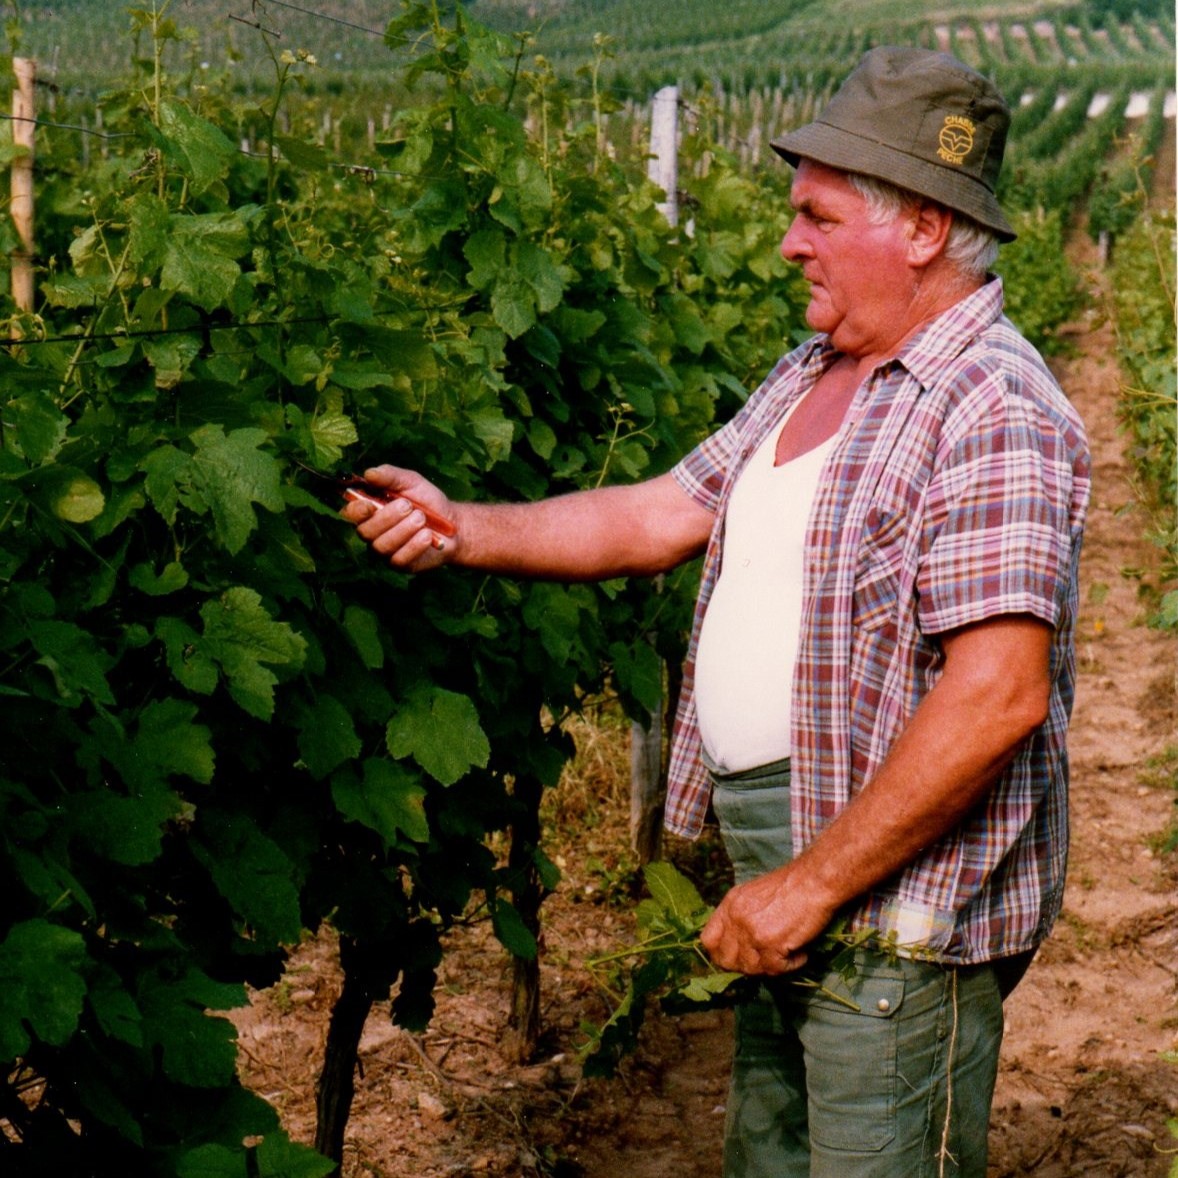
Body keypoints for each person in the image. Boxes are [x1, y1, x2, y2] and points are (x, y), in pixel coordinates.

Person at [346, 46, 1091, 1178]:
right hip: (782, 861)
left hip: (891, 897)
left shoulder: (991, 403)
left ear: (922, 229)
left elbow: (996, 693)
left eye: (817, 215)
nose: (789, 241)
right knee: (770, 1155)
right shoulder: (810, 373)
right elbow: (659, 512)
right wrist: (465, 529)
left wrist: (806, 884)